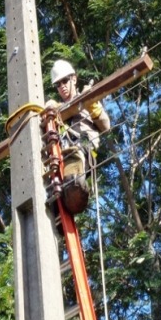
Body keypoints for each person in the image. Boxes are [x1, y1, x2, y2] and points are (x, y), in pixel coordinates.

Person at [46, 59, 110, 214]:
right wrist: (48, 112)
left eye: (64, 81)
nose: (61, 87)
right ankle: (61, 200)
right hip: (64, 149)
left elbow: (106, 126)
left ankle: (75, 183)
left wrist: (92, 104)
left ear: (74, 79)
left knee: (76, 148)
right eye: (58, 84)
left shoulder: (86, 97)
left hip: (86, 145)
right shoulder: (58, 110)